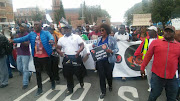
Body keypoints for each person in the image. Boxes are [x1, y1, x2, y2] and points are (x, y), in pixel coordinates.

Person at [10, 21, 55, 96]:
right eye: (35, 25)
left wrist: (51, 40)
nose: (36, 26)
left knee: (49, 71)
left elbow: (51, 37)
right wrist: (13, 40)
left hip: (46, 56)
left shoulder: (46, 33)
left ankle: (52, 81)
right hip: (36, 57)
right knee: (38, 73)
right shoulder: (31, 34)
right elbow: (22, 39)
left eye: (37, 25)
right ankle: (39, 89)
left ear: (41, 26)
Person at [140, 26, 180, 101]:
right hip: (157, 76)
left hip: (172, 77)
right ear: (163, 32)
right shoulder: (155, 43)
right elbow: (147, 56)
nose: (168, 33)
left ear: (174, 34)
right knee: (154, 95)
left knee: (172, 97)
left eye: (170, 31)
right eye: (166, 31)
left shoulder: (178, 46)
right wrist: (142, 68)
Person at [56, 20, 85, 96]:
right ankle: (70, 89)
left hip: (76, 57)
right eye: (64, 29)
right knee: (68, 74)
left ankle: (81, 81)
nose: (66, 30)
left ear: (71, 29)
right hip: (67, 58)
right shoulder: (61, 39)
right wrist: (60, 52)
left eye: (67, 28)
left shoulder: (76, 37)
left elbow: (82, 45)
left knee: (78, 73)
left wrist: (79, 51)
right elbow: (58, 48)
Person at [134, 26, 163, 92]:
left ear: (155, 32)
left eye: (150, 30)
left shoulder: (162, 38)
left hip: (159, 59)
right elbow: (140, 48)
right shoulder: (146, 40)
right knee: (149, 73)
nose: (148, 32)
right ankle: (151, 86)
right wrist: (135, 55)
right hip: (148, 59)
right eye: (148, 30)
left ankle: (159, 85)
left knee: (158, 73)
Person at [95, 24, 119, 99]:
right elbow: (95, 46)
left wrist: (111, 51)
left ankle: (110, 85)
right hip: (100, 61)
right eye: (100, 30)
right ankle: (103, 91)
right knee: (101, 76)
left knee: (108, 75)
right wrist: (94, 46)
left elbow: (117, 49)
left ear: (107, 30)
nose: (101, 32)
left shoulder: (112, 39)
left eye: (103, 30)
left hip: (109, 61)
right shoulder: (98, 39)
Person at [16, 23, 32, 89]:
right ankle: (29, 74)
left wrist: (20, 39)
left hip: (25, 54)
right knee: (19, 68)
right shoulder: (18, 34)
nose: (20, 28)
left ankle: (25, 83)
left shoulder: (27, 35)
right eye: (20, 27)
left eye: (22, 27)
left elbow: (27, 44)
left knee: (25, 69)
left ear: (25, 28)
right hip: (19, 53)